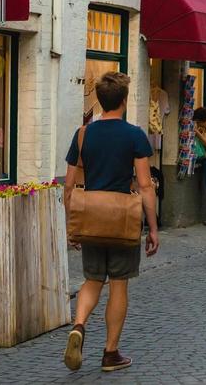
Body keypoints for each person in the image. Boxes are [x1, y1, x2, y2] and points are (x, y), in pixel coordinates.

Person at [63, 72, 159, 374]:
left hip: (90, 218)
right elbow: (145, 185)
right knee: (118, 284)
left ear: (100, 101)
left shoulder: (83, 134)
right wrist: (153, 227)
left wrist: (72, 224)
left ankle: (78, 326)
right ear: (124, 100)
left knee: (92, 280)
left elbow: (69, 185)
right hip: (122, 221)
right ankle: (110, 353)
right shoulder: (134, 135)